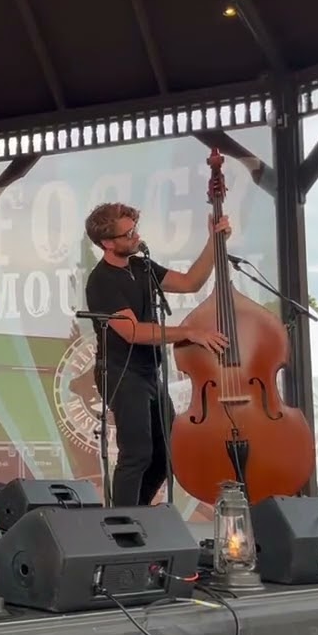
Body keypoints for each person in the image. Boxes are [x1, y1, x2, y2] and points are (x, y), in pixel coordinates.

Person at [83, 202, 230, 507]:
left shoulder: (142, 267)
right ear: (107, 243)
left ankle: (139, 514)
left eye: (135, 229)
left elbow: (190, 282)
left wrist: (215, 241)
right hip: (121, 373)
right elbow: (132, 332)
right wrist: (188, 332)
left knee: (166, 454)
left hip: (149, 372)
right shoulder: (102, 281)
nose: (136, 236)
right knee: (136, 454)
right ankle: (121, 522)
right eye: (128, 234)